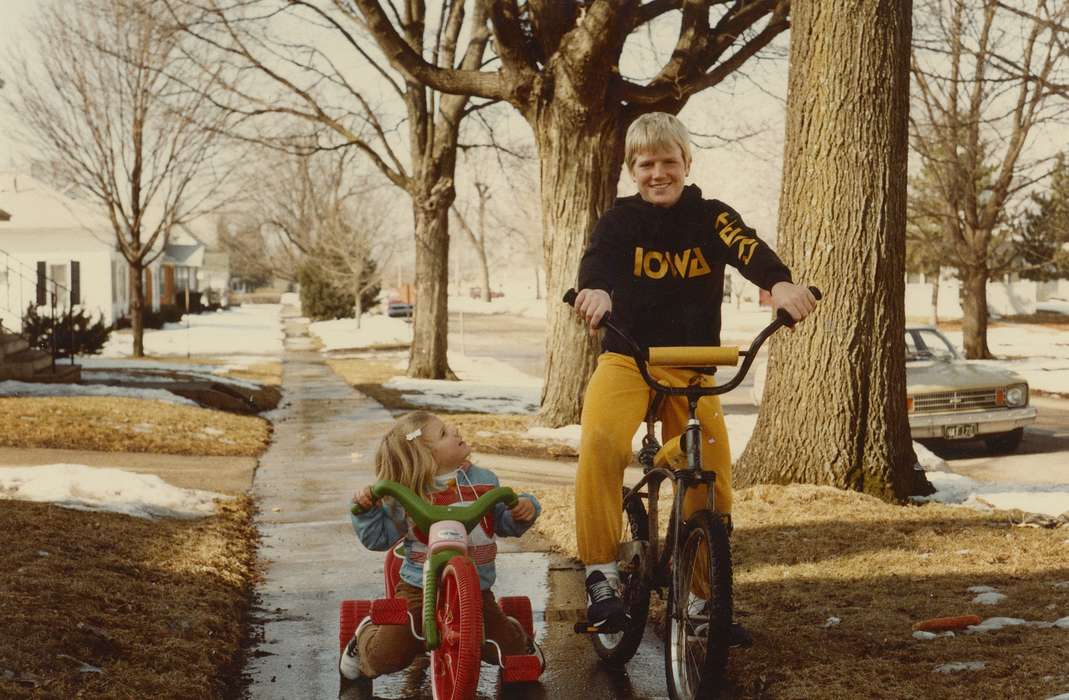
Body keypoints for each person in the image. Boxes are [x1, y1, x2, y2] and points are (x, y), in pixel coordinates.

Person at [570, 112, 817, 638]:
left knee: (713, 467)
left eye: (668, 162)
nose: (658, 173)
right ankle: (600, 575)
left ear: (687, 163)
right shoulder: (618, 222)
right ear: (632, 171)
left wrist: (781, 284)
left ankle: (705, 602)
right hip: (628, 358)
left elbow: (749, 249)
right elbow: (598, 264)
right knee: (599, 442)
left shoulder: (711, 216)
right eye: (646, 164)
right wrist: (596, 291)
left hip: (695, 362)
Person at [339, 410, 542, 681]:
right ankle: (364, 635)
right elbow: (378, 539)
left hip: (474, 591)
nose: (456, 430)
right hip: (417, 589)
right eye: (444, 433)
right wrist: (367, 511)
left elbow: (504, 522)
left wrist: (523, 509)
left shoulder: (484, 481)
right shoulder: (408, 491)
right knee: (386, 656)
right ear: (425, 455)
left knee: (508, 650)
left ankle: (516, 632)